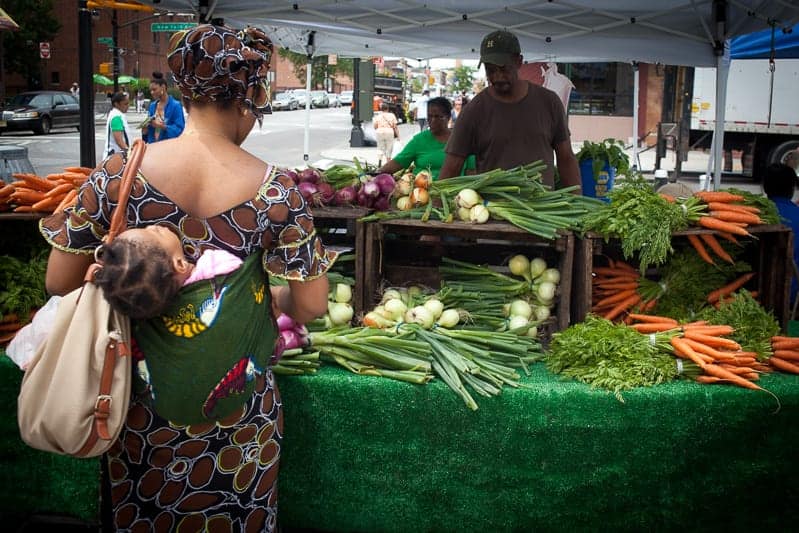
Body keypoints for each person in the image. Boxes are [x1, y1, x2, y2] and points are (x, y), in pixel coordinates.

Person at [39, 24, 334, 531]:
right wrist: (263, 292)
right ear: (249, 97)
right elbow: (310, 307)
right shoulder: (278, 192)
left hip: (138, 406)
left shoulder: (116, 174)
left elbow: (59, 282)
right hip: (238, 412)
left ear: (182, 90)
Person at [438, 29, 581, 191]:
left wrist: (576, 199)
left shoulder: (549, 102)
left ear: (519, 61)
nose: (497, 76)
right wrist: (437, 204)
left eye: (504, 68)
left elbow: (566, 158)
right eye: (490, 70)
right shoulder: (473, 110)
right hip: (491, 211)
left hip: (543, 210)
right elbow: (451, 166)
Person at [378, 96, 475, 181]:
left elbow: (471, 171)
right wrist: (376, 173)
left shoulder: (462, 141)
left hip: (453, 195)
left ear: (448, 117)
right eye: (429, 116)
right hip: (421, 195)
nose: (432, 120)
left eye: (438, 117)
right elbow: (399, 162)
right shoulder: (419, 140)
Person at [763, 163, 799, 305]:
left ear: (765, 188)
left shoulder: (753, 213)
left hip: (754, 289)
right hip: (791, 294)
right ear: (792, 189)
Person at [141, 71, 185, 143]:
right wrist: (145, 131)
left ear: (163, 87)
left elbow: (179, 129)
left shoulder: (176, 105)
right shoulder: (152, 106)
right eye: (150, 90)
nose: (152, 92)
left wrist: (162, 126)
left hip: (169, 147)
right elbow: (148, 132)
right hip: (153, 146)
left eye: (154, 89)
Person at [103, 91, 134, 158]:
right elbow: (119, 141)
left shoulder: (117, 115)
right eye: (125, 104)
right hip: (115, 158)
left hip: (117, 157)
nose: (128, 106)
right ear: (116, 104)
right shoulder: (116, 117)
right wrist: (130, 154)